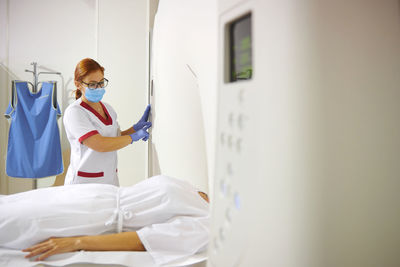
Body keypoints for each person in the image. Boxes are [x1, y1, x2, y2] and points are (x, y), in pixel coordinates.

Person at [0, 175, 210, 266]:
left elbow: (143, 240)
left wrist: (76, 243)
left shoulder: (205, 224)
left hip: (91, 218)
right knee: (9, 205)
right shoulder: (196, 190)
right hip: (87, 196)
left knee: (11, 221)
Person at [63, 58, 152, 185]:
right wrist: (133, 137)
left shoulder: (108, 109)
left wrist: (135, 129)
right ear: (78, 84)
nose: (98, 88)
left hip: (110, 180)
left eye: (101, 82)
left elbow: (114, 138)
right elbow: (100, 144)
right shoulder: (75, 112)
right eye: (92, 84)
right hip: (84, 183)